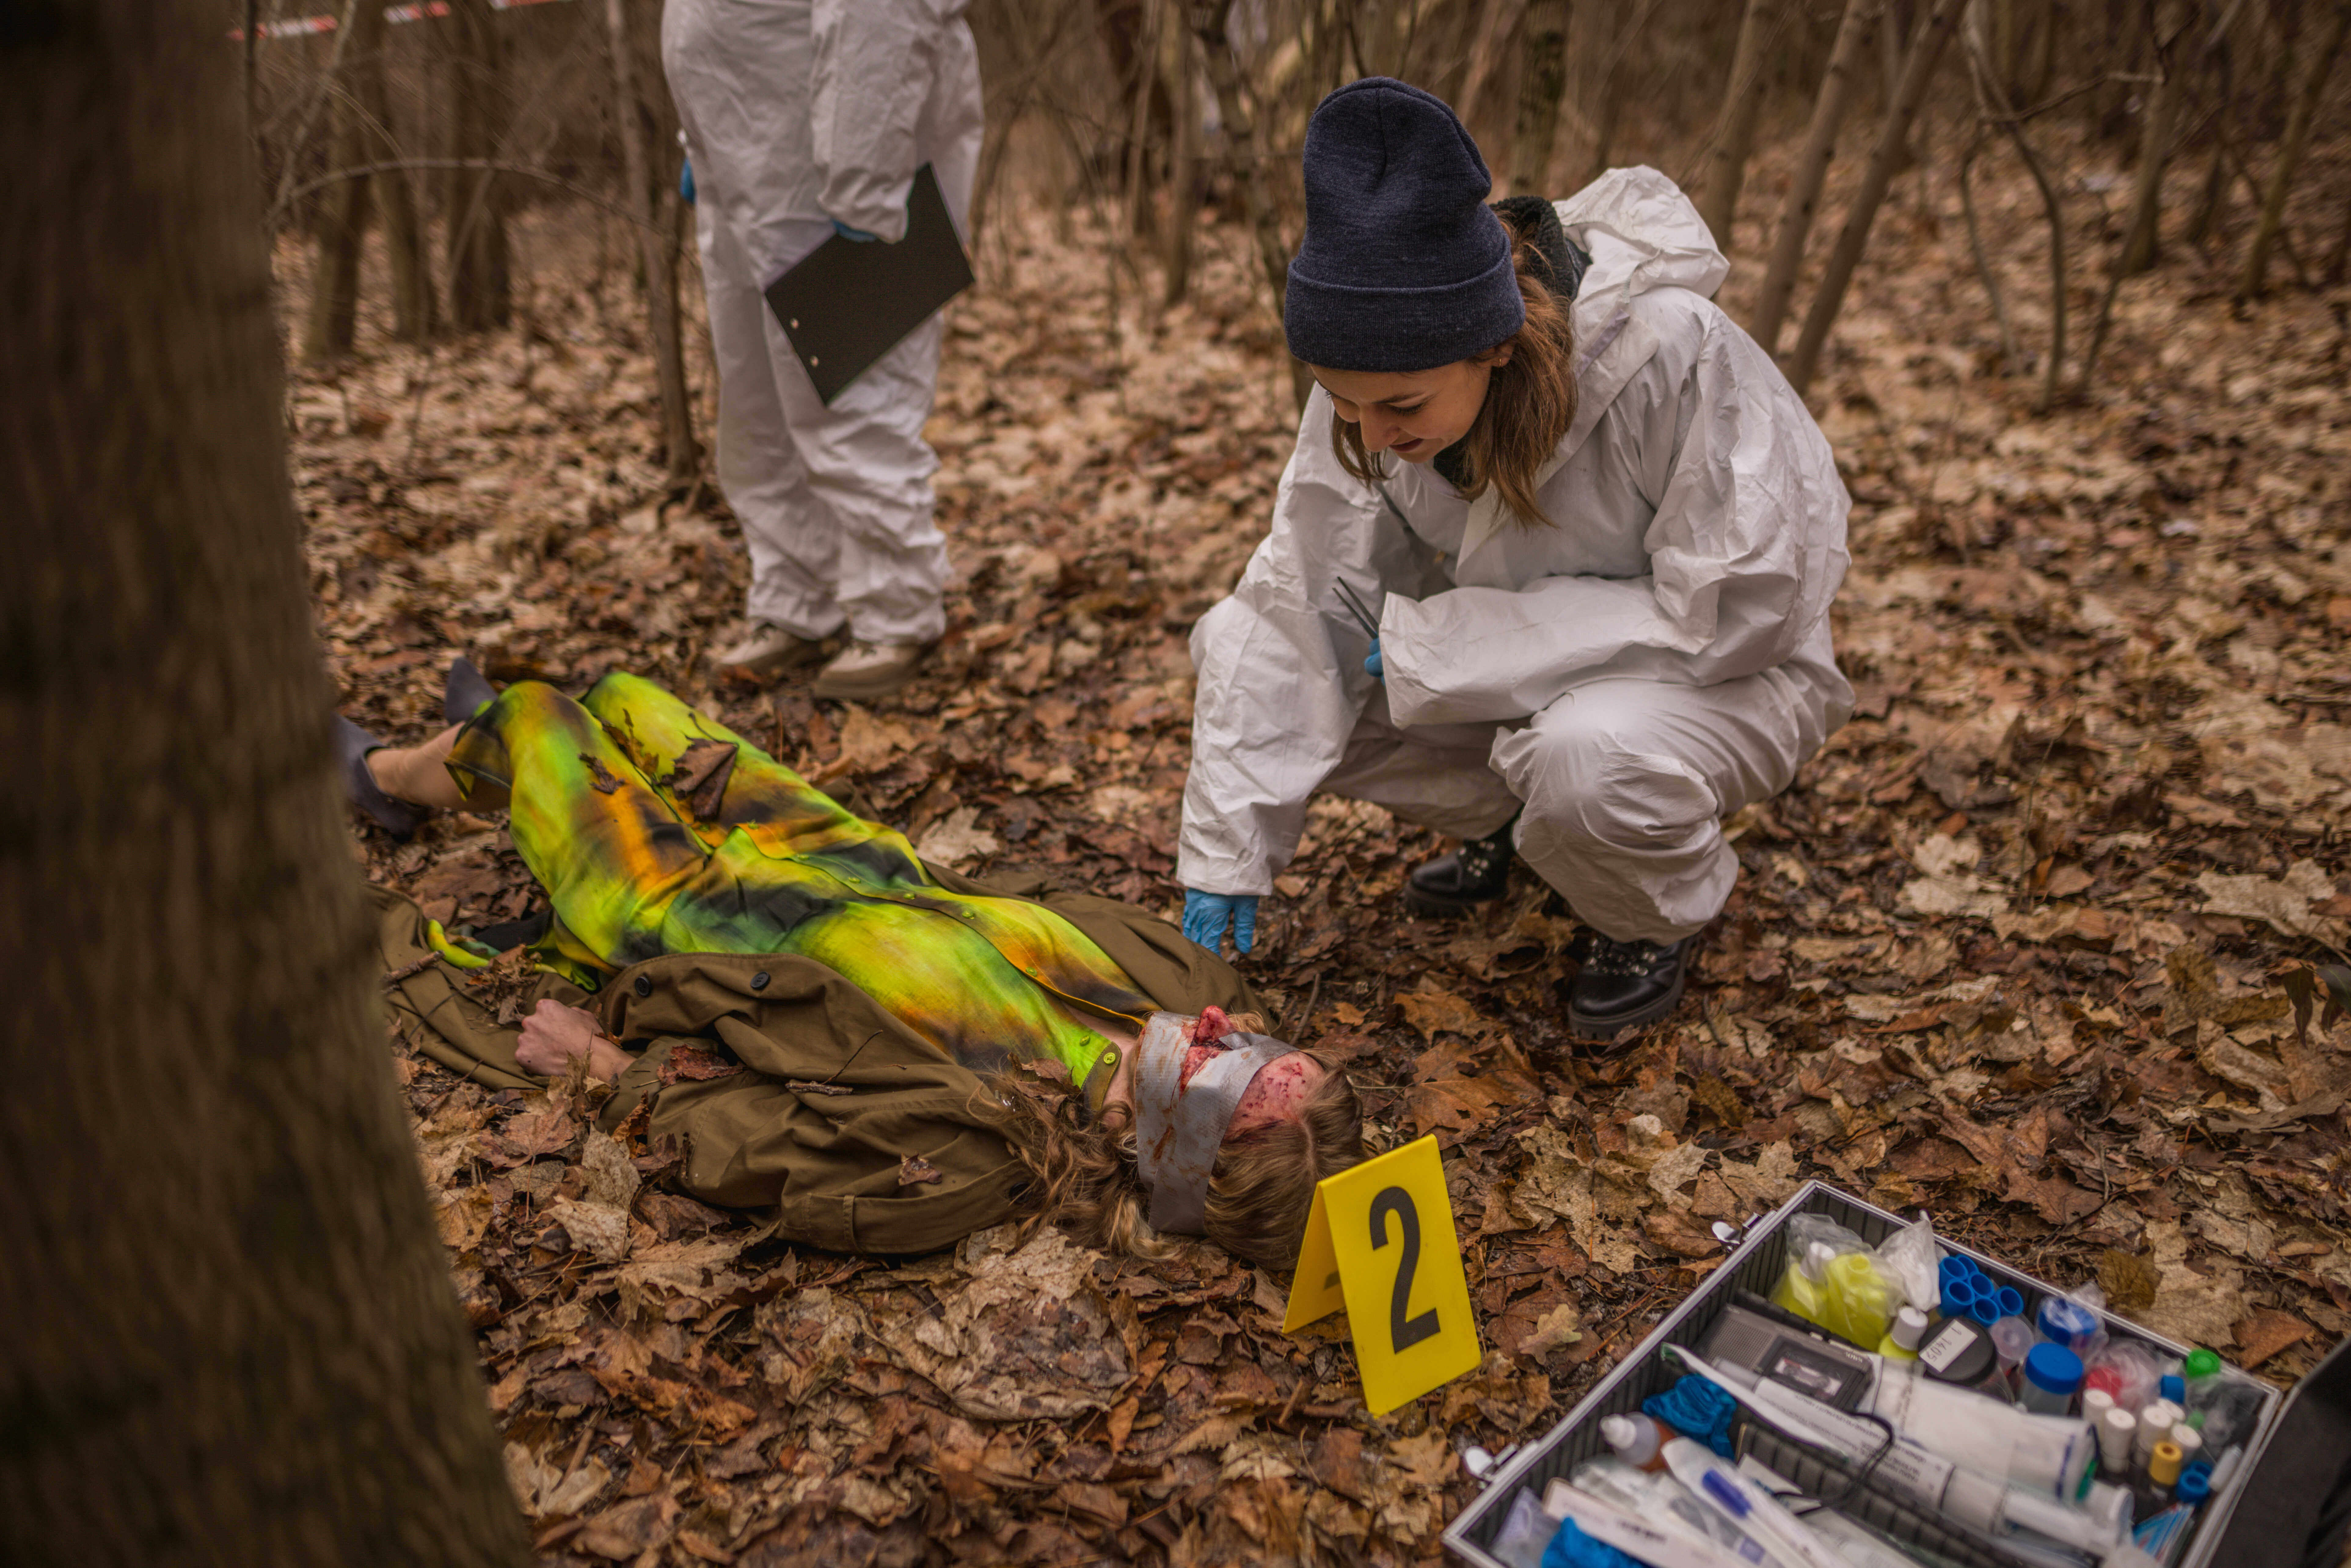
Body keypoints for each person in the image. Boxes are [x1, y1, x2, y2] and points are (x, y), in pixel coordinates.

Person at [1177, 80, 1852, 1040]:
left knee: (1585, 756)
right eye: (1338, 400)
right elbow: (1295, 602)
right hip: (1529, 676)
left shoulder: (1672, 356)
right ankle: (1512, 828)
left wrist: (1462, 643)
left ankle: (1646, 916)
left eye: (1400, 408)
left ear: (1494, 347)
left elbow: (1743, 604)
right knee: (1237, 648)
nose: (1369, 434)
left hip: (1727, 677)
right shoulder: (1375, 385)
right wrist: (1225, 850)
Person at [338, 665, 1360, 1267]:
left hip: (683, 915)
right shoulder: (1186, 1003)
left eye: (1227, 1072)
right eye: (1270, 1044)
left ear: (1176, 1153)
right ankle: (479, 754)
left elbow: (759, 1147)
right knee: (627, 700)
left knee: (535, 712)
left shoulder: (978, 1143)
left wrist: (605, 1069)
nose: (1227, 1030)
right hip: (840, 858)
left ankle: (385, 776)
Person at [662, 0, 984, 700]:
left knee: (851, 385)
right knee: (756, 400)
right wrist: (702, 141)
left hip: (832, 153)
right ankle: (797, 596)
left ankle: (896, 611)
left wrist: (864, 175)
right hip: (746, 151)